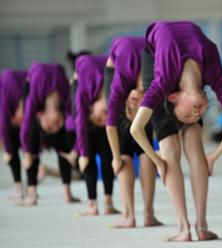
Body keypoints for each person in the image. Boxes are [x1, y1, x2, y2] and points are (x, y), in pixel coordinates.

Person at [130, 21, 222, 241]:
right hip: (154, 51)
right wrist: (157, 161)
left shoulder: (213, 71)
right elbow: (135, 128)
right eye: (189, 116)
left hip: (182, 48)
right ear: (173, 96)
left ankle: (201, 224)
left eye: (195, 115)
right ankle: (183, 227)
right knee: (169, 149)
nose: (196, 115)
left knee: (195, 147)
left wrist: (214, 155)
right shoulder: (162, 82)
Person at [105, 36, 162, 228]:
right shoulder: (117, 87)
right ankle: (129, 214)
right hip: (120, 57)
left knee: (144, 146)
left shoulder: (153, 86)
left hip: (145, 49)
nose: (137, 101)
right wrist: (115, 157)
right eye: (134, 101)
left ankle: (148, 213)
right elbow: (110, 125)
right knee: (124, 151)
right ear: (126, 99)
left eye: (139, 101)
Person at [20, 62, 80, 205]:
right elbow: (25, 127)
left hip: (41, 73)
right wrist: (27, 152)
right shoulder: (39, 103)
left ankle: (67, 192)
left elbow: (81, 127)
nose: (56, 125)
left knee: (63, 145)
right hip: (31, 78)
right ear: (39, 115)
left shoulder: (64, 104)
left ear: (41, 116)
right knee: (32, 142)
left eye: (51, 126)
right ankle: (32, 193)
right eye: (55, 126)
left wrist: (75, 150)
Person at [74, 55, 119, 216]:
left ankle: (108, 202)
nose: (105, 118)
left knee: (108, 157)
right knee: (89, 158)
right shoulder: (82, 95)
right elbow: (79, 123)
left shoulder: (112, 88)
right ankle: (92, 204)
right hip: (81, 68)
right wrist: (83, 154)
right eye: (102, 117)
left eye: (104, 115)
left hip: (97, 65)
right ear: (90, 108)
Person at [0, 69, 27, 203]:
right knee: (21, 151)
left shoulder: (5, 87)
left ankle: (21, 190)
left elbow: (3, 123)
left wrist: (8, 151)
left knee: (17, 151)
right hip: (20, 111)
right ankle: (23, 189)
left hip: (21, 113)